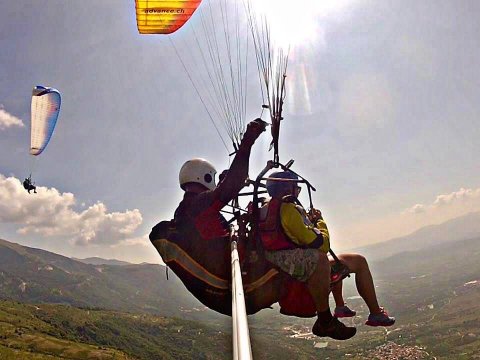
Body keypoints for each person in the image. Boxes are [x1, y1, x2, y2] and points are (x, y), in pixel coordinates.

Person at [258, 171, 394, 340]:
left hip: (281, 258)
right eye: (296, 189)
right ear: (287, 188)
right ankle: (375, 313)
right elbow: (322, 244)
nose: (297, 192)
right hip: (294, 260)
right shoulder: (288, 210)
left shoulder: (266, 208)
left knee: (336, 263)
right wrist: (319, 221)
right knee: (357, 262)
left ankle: (340, 306)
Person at [173, 118, 267, 283]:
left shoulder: (187, 207)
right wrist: (248, 141)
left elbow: (221, 196)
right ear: (206, 176)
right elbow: (232, 185)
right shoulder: (199, 204)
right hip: (224, 267)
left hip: (211, 264)